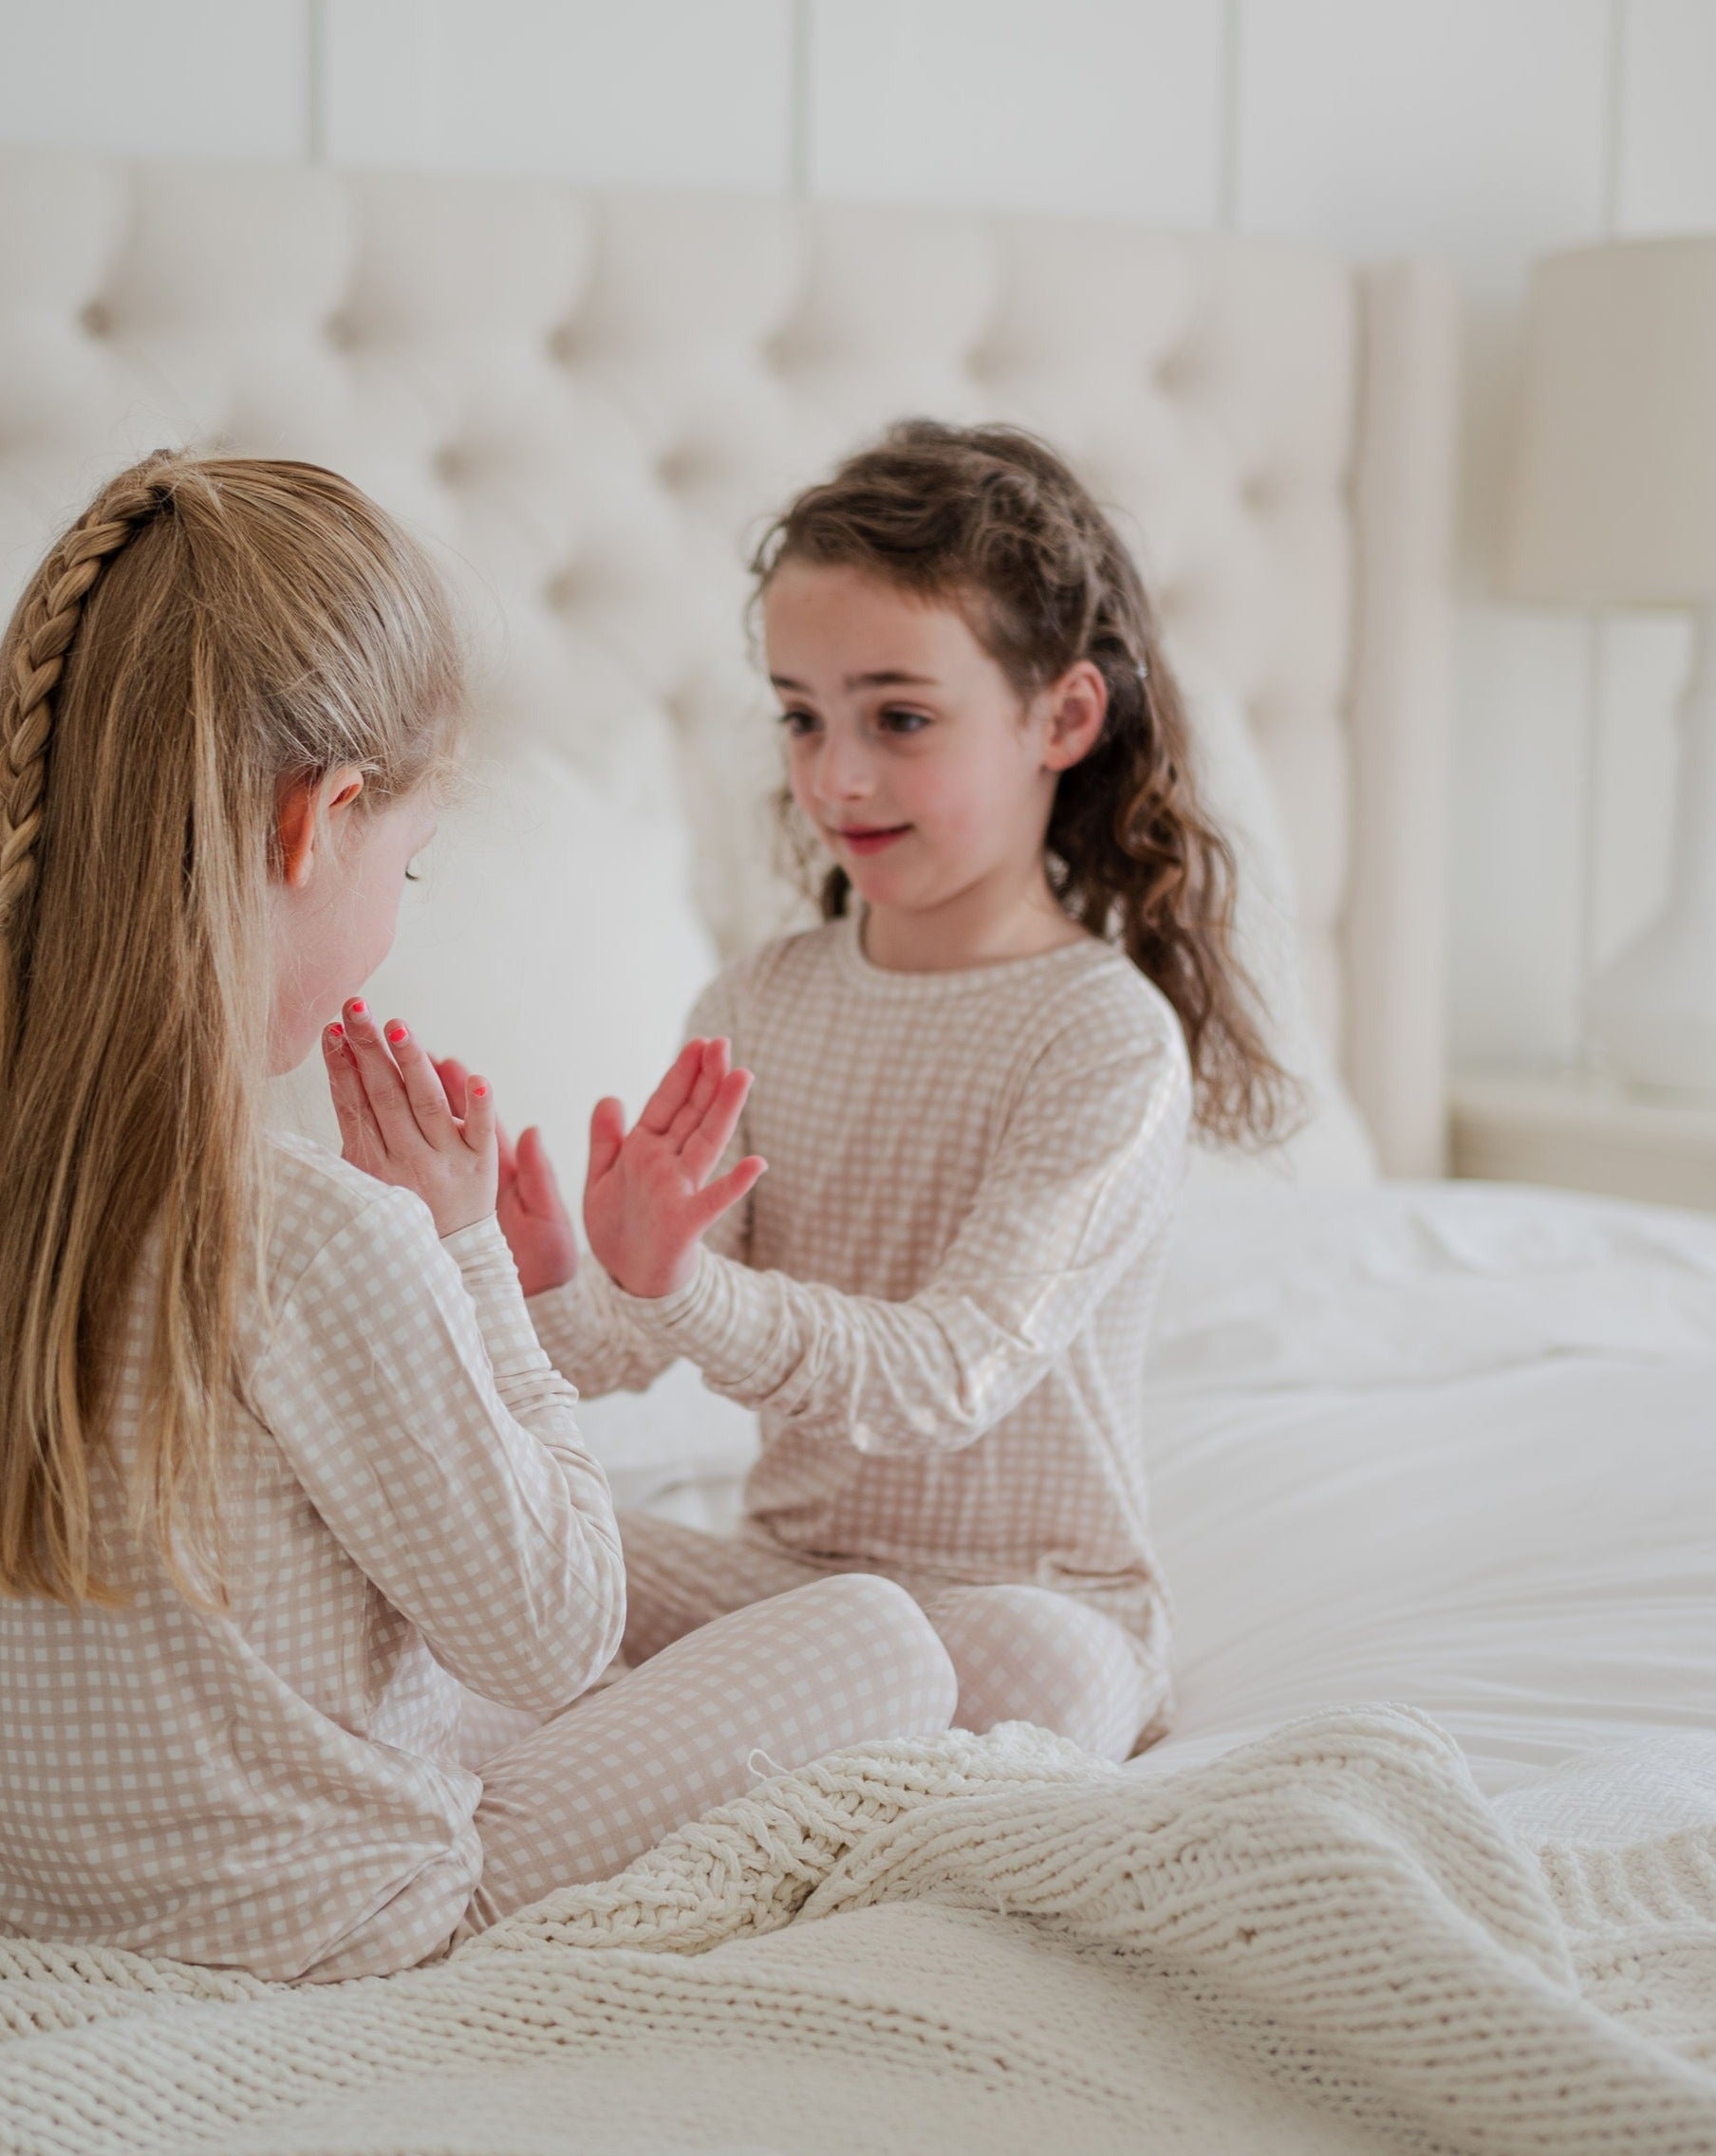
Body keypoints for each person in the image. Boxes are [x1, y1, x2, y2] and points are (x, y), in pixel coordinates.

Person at [0, 453, 957, 1982]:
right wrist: (469, 1259)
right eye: (410, 860)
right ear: (316, 820)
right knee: (884, 1640)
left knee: (408, 1655)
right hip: (333, 1935)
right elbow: (558, 1630)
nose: (398, 915)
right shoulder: (320, 1235)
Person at [498, 421, 1296, 1760]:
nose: (836, 777)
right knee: (497, 1530)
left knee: (1040, 1676)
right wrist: (544, 1285)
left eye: (899, 718)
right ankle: (736, 1750)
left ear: (1064, 717)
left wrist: (682, 1288)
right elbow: (627, 1347)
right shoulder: (759, 1004)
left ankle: (710, 1763)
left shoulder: (1103, 1039)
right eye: (802, 718)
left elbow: (952, 1374)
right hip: (788, 1593)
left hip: (1020, 1613)